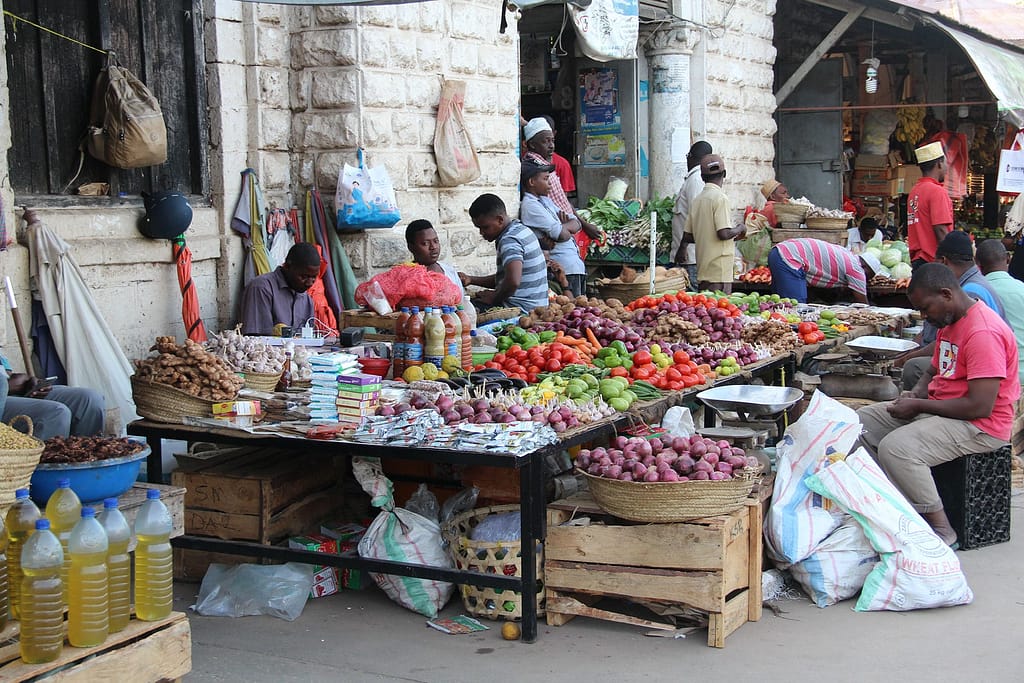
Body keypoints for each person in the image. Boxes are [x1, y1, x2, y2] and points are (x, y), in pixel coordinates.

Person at [857, 263, 1019, 547]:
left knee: (897, 449)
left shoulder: (982, 333)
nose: (924, 317)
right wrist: (916, 393)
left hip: (982, 426)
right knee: (859, 423)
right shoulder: (951, 320)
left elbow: (979, 406)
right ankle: (899, 503)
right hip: (947, 410)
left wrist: (920, 405)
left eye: (925, 309)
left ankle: (943, 530)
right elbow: (934, 369)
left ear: (946, 294)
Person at [896, 230, 1005, 390]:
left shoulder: (968, 293)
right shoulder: (968, 285)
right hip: (967, 359)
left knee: (913, 367)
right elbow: (943, 338)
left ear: (944, 262)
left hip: (980, 367)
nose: (924, 316)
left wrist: (907, 358)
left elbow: (950, 343)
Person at [522, 117, 602, 254]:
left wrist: (578, 223)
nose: (551, 145)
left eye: (552, 140)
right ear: (532, 145)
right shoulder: (535, 169)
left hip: (564, 226)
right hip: (556, 233)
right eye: (545, 141)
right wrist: (574, 226)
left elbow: (562, 202)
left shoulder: (545, 166)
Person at [459, 194, 548, 314]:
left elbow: (513, 281)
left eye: (485, 227)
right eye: (479, 228)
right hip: (538, 306)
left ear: (500, 220)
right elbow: (506, 278)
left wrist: (494, 298)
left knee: (463, 311)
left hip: (521, 310)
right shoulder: (521, 230)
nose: (481, 233)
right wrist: (471, 279)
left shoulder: (509, 240)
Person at [518, 161, 587, 298]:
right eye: (545, 179)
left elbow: (577, 223)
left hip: (573, 266)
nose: (550, 183)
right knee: (572, 309)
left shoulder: (545, 201)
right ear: (531, 182)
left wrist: (562, 227)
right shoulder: (531, 206)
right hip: (563, 269)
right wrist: (564, 228)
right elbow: (563, 236)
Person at [0, 357, 104, 440]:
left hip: (10, 390)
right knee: (56, 413)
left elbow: (6, 373)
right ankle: (45, 463)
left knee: (89, 399)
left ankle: (86, 460)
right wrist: (5, 386)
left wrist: (27, 380)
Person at [683, 155, 745, 294]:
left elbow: (688, 236)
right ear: (724, 174)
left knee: (705, 310)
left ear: (702, 177)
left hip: (703, 269)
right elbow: (723, 233)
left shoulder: (698, 200)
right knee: (718, 310)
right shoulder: (720, 198)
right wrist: (741, 228)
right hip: (719, 269)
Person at [405, 219, 475, 327]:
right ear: (411, 247)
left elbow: (461, 306)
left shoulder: (450, 272)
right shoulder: (406, 277)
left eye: (436, 241)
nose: (433, 247)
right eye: (425, 243)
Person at [767, 238, 881, 304]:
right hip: (789, 258)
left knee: (780, 303)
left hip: (778, 251)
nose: (867, 280)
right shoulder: (857, 269)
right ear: (865, 268)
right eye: (869, 276)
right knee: (796, 306)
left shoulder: (847, 254)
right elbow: (863, 304)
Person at [239, 242, 319, 335]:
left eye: (314, 277)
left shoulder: (306, 300)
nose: (309, 283)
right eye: (304, 276)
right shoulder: (261, 288)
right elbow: (256, 340)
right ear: (287, 266)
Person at [976, 239, 1024, 383]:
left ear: (978, 265)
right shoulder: (1021, 289)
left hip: (993, 377)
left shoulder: (975, 293)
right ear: (1008, 258)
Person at [906, 141, 953, 269]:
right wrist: (951, 260)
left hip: (918, 261)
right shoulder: (937, 191)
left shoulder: (914, 191)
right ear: (939, 164)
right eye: (945, 163)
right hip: (934, 262)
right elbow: (940, 229)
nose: (947, 168)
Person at [672, 141, 713, 287]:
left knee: (691, 300)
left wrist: (683, 247)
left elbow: (695, 216)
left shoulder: (695, 180)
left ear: (692, 157)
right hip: (689, 253)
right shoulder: (694, 178)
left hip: (690, 256)